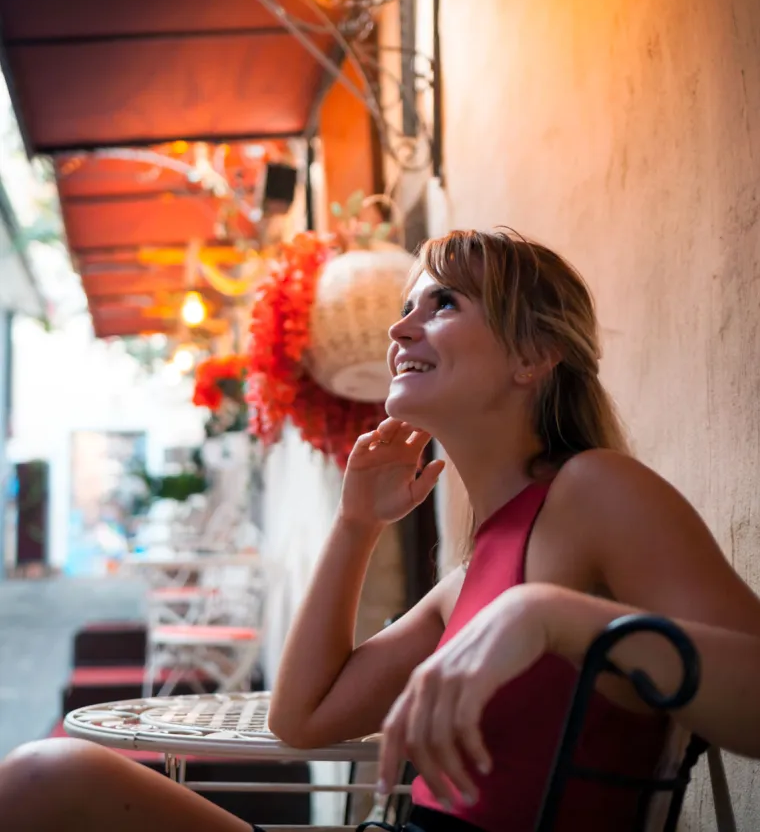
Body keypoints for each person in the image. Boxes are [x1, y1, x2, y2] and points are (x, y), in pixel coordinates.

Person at [2, 228, 760, 832]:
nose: (400, 328)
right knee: (46, 777)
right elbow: (301, 717)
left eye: (443, 304)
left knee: (44, 783)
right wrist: (356, 523)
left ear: (533, 356)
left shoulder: (596, 489)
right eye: (409, 306)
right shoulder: (472, 573)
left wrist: (554, 617)